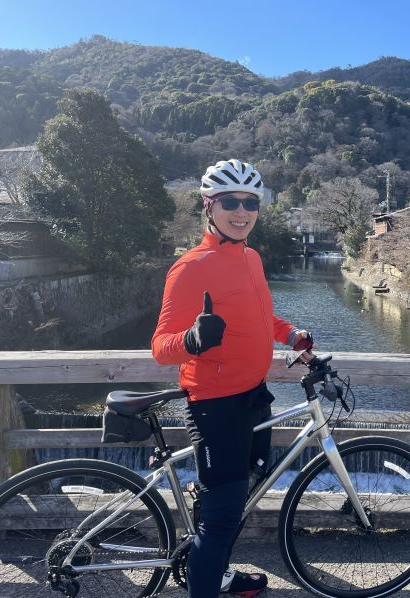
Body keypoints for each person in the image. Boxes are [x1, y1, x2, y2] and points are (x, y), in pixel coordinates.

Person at [151, 159, 313, 598]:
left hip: (253, 397)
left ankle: (217, 573)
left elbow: (259, 315)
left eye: (250, 203)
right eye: (230, 202)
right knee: (221, 520)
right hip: (215, 405)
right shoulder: (191, 267)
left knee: (240, 497)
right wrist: (192, 338)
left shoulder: (251, 256)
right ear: (209, 206)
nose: (241, 212)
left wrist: (290, 333)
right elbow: (161, 346)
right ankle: (206, 578)